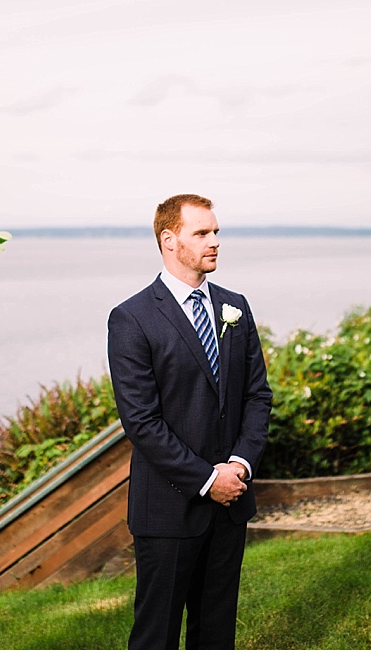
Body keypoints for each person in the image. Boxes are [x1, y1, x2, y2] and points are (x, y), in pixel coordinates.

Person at [107, 194, 273, 650]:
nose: (214, 241)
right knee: (155, 636)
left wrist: (239, 465)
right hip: (167, 508)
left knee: (216, 635)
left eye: (216, 231)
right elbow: (141, 422)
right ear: (169, 240)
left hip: (230, 502)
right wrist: (205, 479)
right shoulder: (132, 318)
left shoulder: (235, 307)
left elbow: (257, 395)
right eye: (202, 233)